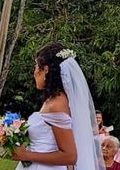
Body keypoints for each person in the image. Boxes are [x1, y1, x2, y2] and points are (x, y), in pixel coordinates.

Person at [12, 42, 104, 170]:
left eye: (36, 66)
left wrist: (26, 155)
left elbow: (70, 156)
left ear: (46, 69)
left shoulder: (57, 104)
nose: (34, 72)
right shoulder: (53, 100)